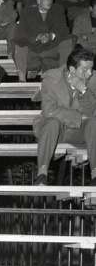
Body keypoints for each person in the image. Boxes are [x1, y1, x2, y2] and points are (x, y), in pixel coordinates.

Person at [33, 47, 96, 185]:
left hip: (77, 132)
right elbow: (49, 110)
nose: (90, 73)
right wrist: (78, 118)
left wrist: (84, 90)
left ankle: (95, 174)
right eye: (85, 69)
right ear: (72, 70)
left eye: (91, 69)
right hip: (54, 131)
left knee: (94, 124)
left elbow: (92, 112)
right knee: (52, 122)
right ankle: (42, 173)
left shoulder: (93, 80)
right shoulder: (51, 79)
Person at [14, 0, 74, 82]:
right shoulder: (27, 12)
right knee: (19, 42)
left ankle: (64, 77)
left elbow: (64, 30)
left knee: (67, 40)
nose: (50, 1)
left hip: (51, 47)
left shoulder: (58, 10)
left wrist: (51, 36)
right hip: (33, 48)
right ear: (38, 1)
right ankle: (22, 79)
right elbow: (21, 32)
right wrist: (37, 37)